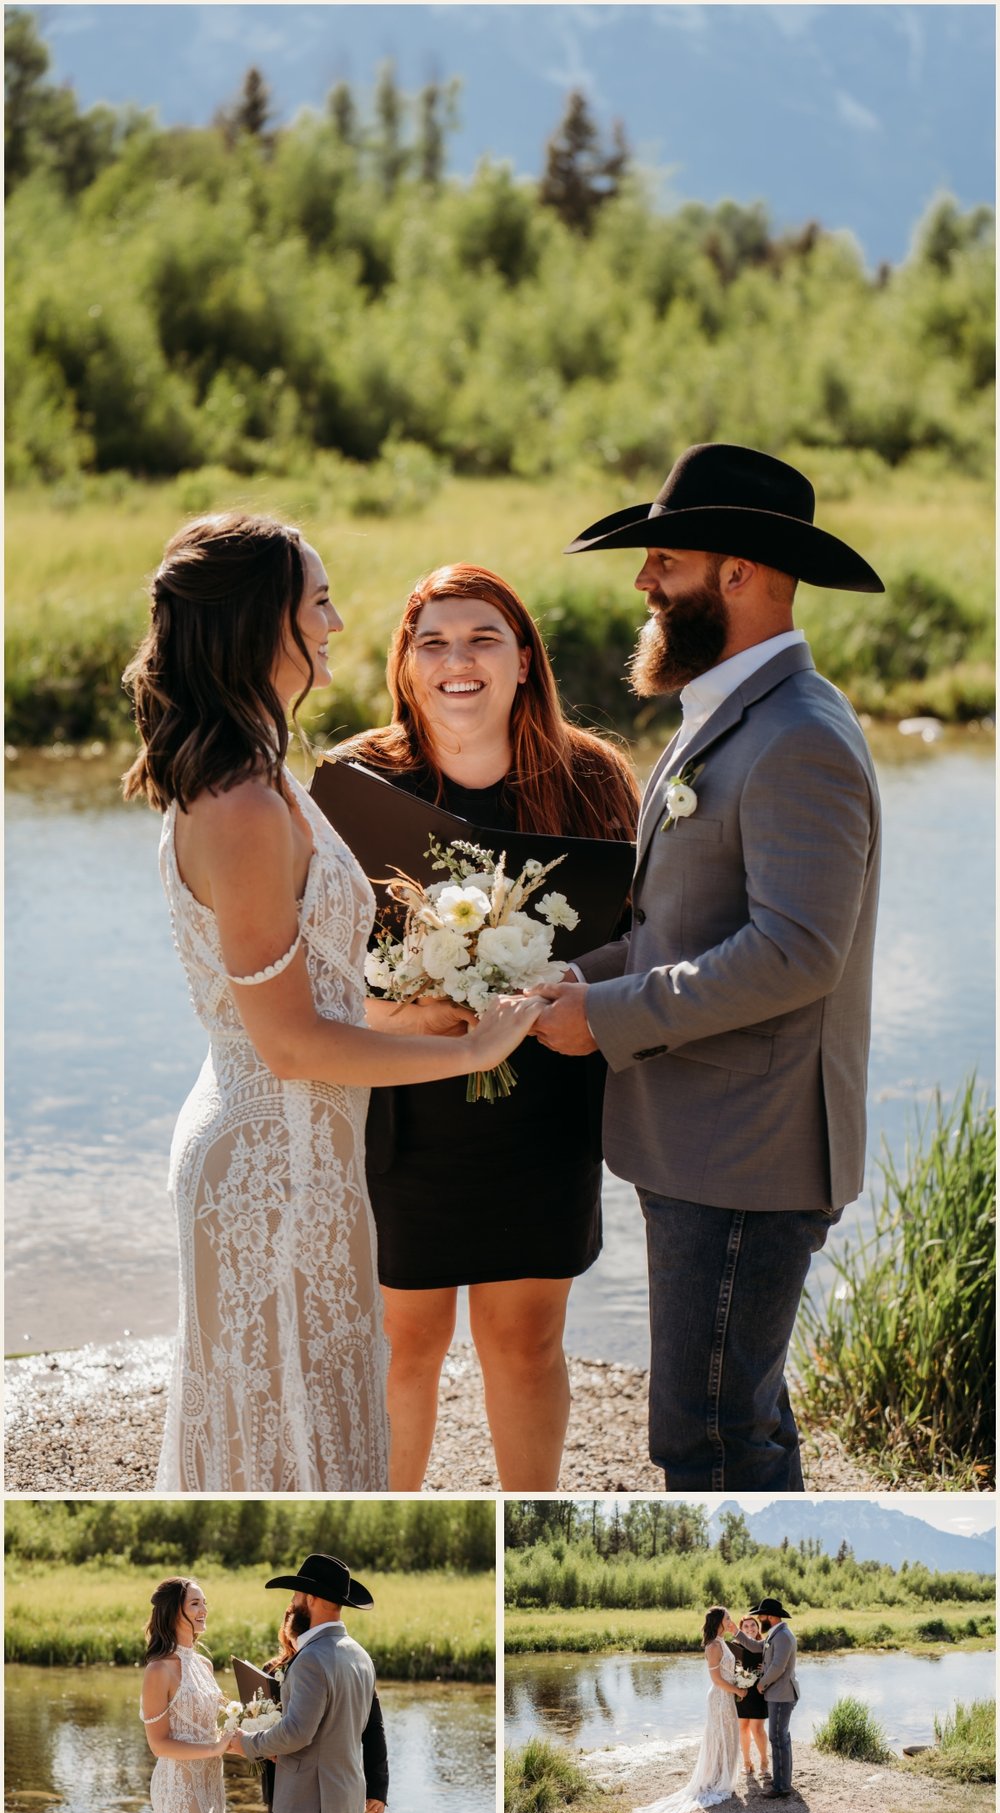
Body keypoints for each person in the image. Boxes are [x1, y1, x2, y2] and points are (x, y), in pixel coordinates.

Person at [122, 516, 544, 1492]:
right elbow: (289, 1044)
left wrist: (425, 1014)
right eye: (318, 602)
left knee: (320, 1427)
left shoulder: (264, 774)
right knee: (281, 1446)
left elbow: (314, 995)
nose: (339, 622)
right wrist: (472, 1050)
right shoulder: (238, 806)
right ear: (261, 621)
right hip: (270, 1165)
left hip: (311, 1158)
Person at [532, 443, 884, 1490]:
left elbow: (794, 953)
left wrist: (606, 1015)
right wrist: (566, 980)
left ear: (738, 573)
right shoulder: (732, 716)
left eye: (666, 560)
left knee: (710, 1439)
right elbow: (677, 920)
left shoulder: (797, 739)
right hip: (706, 1144)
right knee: (739, 1421)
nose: (644, 581)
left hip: (747, 1155)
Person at [335, 563, 639, 1489]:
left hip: (543, 1103)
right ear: (405, 664)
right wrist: (414, 1010)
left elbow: (637, 936)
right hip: (402, 1107)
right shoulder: (355, 781)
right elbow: (310, 964)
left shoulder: (591, 778)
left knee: (526, 1338)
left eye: (482, 640)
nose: (456, 661)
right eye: (433, 642)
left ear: (522, 662)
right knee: (403, 1339)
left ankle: (527, 1509)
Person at [231, 1553, 385, 1813]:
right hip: (346, 1804)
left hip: (306, 1807)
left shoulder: (312, 1658)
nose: (292, 1602)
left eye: (296, 1595)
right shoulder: (361, 1655)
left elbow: (297, 1733)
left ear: (311, 1598)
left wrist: (246, 1743)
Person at [260, 1606, 389, 1813]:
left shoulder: (339, 1661)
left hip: (326, 1793)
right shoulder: (272, 1670)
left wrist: (377, 1786)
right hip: (281, 1783)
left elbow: (373, 1726)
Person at [632, 1606, 746, 1813]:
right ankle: (715, 1780)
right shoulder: (713, 1646)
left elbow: (730, 1671)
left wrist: (741, 1681)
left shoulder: (723, 1642)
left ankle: (723, 1777)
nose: (731, 1620)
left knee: (729, 1736)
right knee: (719, 1736)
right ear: (718, 1622)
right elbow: (717, 1681)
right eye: (728, 1618)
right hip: (719, 1698)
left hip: (728, 1697)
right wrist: (739, 1690)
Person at [139, 1576, 231, 1813]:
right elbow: (158, 1745)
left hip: (212, 1780)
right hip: (179, 1785)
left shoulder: (205, 1665)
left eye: (204, 1603)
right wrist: (214, 1749)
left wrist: (251, 1744)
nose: (204, 1611)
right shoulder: (158, 1670)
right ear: (173, 1612)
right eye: (194, 1604)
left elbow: (208, 1732)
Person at [732, 1598, 799, 1799]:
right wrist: (736, 1632)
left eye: (761, 1616)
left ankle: (781, 1787)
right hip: (778, 1693)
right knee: (781, 1738)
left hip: (781, 1694)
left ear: (770, 1616)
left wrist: (761, 1684)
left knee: (778, 1739)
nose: (760, 1619)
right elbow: (754, 1646)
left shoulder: (783, 1637)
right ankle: (782, 1781)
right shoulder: (775, 1634)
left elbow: (778, 1667)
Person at [727, 1614, 770, 1778]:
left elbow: (774, 1665)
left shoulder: (764, 1645)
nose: (750, 1628)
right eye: (746, 1626)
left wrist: (765, 1668)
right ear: (741, 1629)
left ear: (758, 1628)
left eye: (753, 1625)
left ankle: (764, 1761)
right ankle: (747, 1762)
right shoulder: (733, 1647)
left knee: (757, 1729)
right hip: (741, 1691)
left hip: (758, 1691)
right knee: (742, 1727)